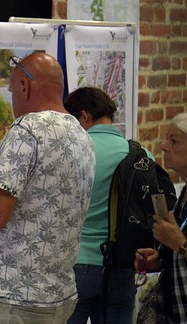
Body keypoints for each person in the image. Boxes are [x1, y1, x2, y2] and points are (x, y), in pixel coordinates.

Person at [0, 52, 96, 323]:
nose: (13, 100)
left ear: (24, 86)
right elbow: (39, 190)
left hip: (15, 302)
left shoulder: (27, 129)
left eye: (12, 91)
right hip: (57, 296)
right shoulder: (81, 134)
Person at [63, 87, 141, 324]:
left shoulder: (73, 151)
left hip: (76, 264)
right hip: (121, 267)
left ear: (84, 117)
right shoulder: (140, 154)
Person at [135, 112, 187, 323]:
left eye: (173, 141)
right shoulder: (183, 194)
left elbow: (181, 244)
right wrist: (162, 258)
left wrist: (179, 244)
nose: (164, 146)